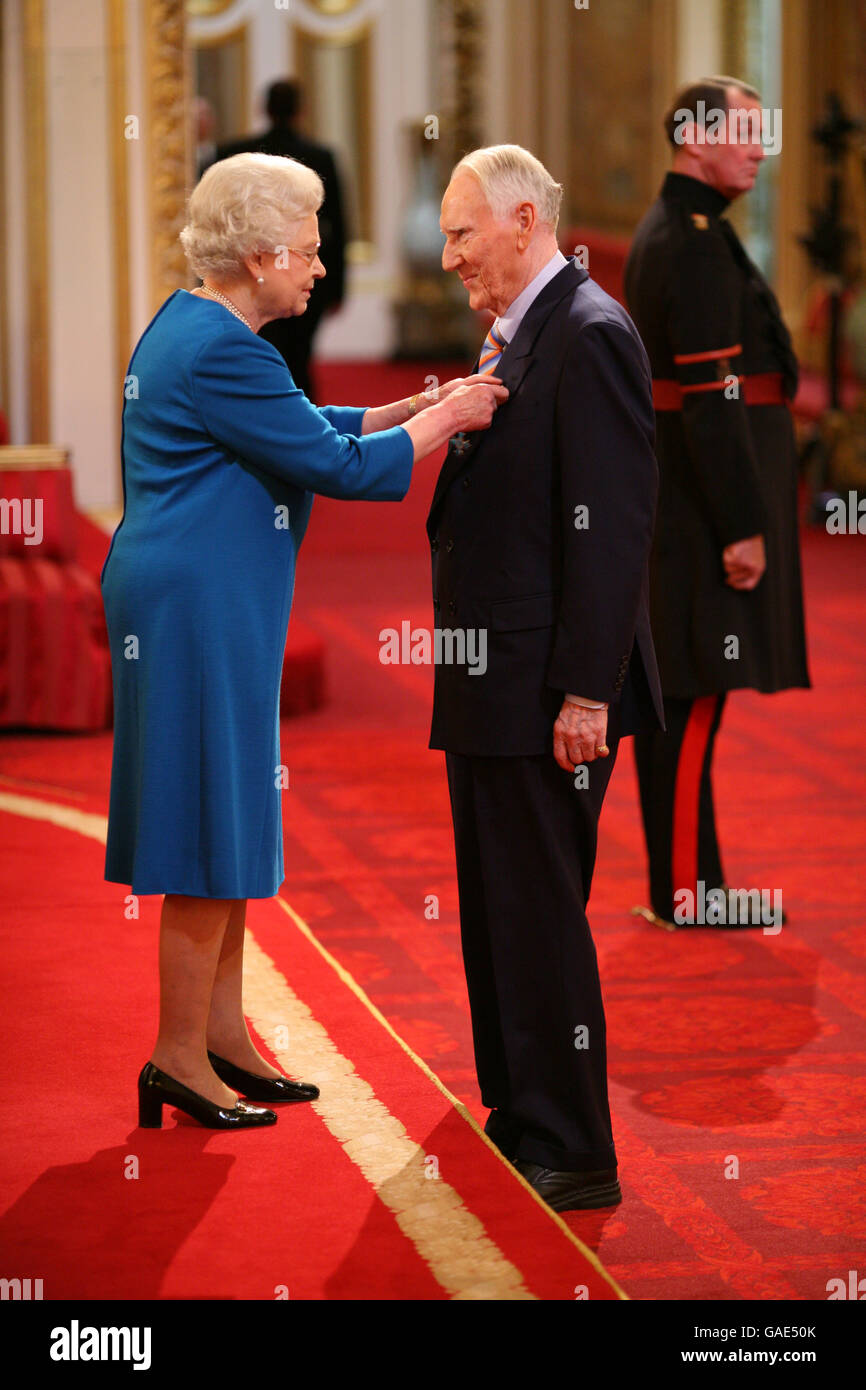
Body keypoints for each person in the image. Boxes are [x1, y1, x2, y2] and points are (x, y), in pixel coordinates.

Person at [101, 151, 506, 1131]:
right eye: (312, 249)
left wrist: (400, 409)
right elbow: (339, 468)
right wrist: (451, 413)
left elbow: (294, 426)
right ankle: (175, 1053)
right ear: (257, 252)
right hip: (197, 604)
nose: (320, 268)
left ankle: (222, 1036)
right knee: (207, 821)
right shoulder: (224, 346)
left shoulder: (197, 323)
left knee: (229, 810)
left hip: (196, 594)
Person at [431, 145, 663, 1211]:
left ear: (524, 221)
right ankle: (523, 1108)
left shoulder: (589, 332)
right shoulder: (531, 329)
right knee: (498, 907)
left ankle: (575, 1144)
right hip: (491, 681)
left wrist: (585, 691)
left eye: (461, 234)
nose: (448, 257)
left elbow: (612, 535)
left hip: (543, 692)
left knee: (538, 914)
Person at [624, 78, 810, 931]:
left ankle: (690, 882)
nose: (761, 149)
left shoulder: (691, 228)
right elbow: (710, 397)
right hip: (706, 510)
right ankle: (687, 893)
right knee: (695, 699)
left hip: (692, 499)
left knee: (693, 700)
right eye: (746, 132)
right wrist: (744, 525)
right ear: (695, 138)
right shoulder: (693, 241)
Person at [212, 79, 347, 401]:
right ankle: (302, 421)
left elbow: (222, 225)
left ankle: (270, 412)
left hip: (250, 275)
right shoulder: (321, 156)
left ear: (264, 108)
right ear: (301, 111)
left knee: (260, 351)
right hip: (304, 271)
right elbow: (339, 226)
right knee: (300, 360)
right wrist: (338, 286)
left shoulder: (234, 154)